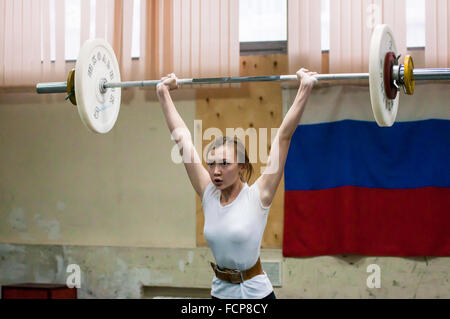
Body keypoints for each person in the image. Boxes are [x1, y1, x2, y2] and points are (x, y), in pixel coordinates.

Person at [156, 68, 318, 299]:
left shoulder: (259, 195)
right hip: (220, 293)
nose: (216, 171)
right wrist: (163, 93)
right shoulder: (208, 193)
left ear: (242, 166)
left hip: (255, 295)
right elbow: (182, 138)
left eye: (224, 164)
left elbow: (283, 136)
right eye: (211, 164)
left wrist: (305, 87)